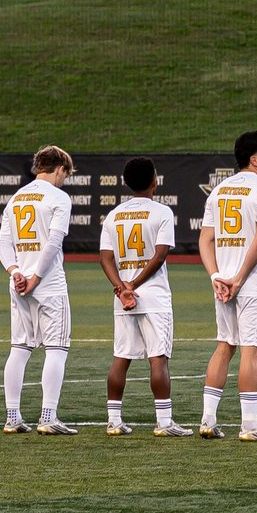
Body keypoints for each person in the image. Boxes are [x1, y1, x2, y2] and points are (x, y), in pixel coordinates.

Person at [198, 131, 257, 442]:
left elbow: (205, 240)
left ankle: (207, 419)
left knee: (224, 345)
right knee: (251, 350)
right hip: (250, 282)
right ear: (254, 159)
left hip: (223, 282)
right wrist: (241, 278)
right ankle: (249, 424)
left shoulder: (218, 192)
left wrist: (216, 276)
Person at [101, 158, 186, 436]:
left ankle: (114, 421)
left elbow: (105, 258)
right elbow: (160, 255)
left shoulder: (114, 215)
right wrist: (134, 284)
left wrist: (120, 287)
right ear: (154, 181)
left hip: (123, 295)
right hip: (152, 295)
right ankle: (163, 423)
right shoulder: (161, 212)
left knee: (121, 357)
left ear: (126, 183)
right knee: (157, 357)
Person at [0, 146, 75, 435]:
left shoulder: (16, 198)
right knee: (57, 348)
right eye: (64, 174)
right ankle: (48, 416)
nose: (64, 179)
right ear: (59, 168)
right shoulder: (58, 197)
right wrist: (36, 277)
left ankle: (13, 416)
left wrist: (16, 272)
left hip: (19, 284)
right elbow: (53, 242)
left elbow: (3, 245)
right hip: (48, 282)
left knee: (19, 348)